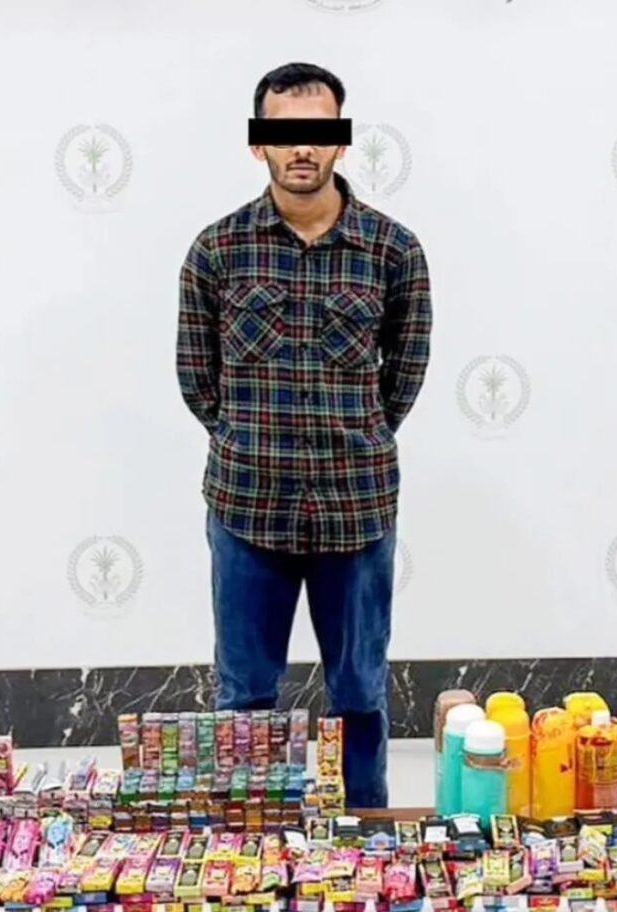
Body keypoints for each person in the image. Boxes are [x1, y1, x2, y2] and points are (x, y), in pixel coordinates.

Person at [176, 62, 432, 808]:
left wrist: (357, 438)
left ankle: (365, 849)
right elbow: (199, 380)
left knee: (359, 693)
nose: (301, 150)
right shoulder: (217, 252)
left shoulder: (393, 252)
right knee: (246, 694)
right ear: (258, 144)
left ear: (341, 142)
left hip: (355, 509)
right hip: (247, 509)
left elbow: (404, 374)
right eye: (283, 134)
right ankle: (248, 853)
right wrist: (252, 441)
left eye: (317, 133)